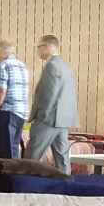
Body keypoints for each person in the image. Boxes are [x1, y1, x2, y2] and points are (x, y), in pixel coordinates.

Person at [26, 35, 79, 175]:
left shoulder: (51, 66)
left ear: (48, 47)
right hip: (62, 120)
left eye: (39, 47)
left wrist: (41, 116)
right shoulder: (66, 66)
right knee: (62, 158)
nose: (38, 50)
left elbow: (48, 95)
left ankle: (25, 186)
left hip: (49, 118)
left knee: (32, 155)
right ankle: (65, 186)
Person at [0, 40, 30, 159]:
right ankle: (14, 174)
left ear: (2, 51)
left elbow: (1, 90)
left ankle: (8, 175)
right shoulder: (22, 66)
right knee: (14, 146)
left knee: (6, 148)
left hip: (7, 111)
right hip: (21, 112)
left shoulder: (3, 65)